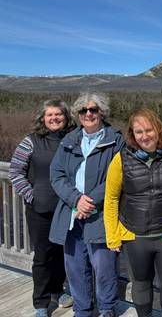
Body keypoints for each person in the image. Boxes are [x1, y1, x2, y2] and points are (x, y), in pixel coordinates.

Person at [104, 108, 162, 317]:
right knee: (141, 283)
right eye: (138, 132)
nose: (144, 136)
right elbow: (111, 199)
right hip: (135, 236)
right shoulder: (121, 159)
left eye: (149, 130)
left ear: (158, 130)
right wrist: (113, 236)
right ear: (132, 135)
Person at [49, 92, 125, 317]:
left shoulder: (115, 140)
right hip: (71, 215)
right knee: (74, 266)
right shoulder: (69, 140)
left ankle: (106, 308)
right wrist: (75, 199)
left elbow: (118, 176)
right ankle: (82, 309)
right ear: (78, 115)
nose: (89, 114)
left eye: (93, 109)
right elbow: (56, 174)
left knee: (104, 267)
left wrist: (88, 202)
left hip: (101, 214)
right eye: (83, 110)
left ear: (102, 112)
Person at [9, 99, 76, 317]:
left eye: (59, 114)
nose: (55, 118)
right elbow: (15, 172)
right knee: (42, 256)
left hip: (66, 209)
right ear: (43, 118)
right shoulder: (31, 141)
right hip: (40, 209)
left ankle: (58, 290)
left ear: (65, 117)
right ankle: (41, 301)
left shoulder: (72, 139)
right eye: (50, 115)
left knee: (62, 253)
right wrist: (32, 196)